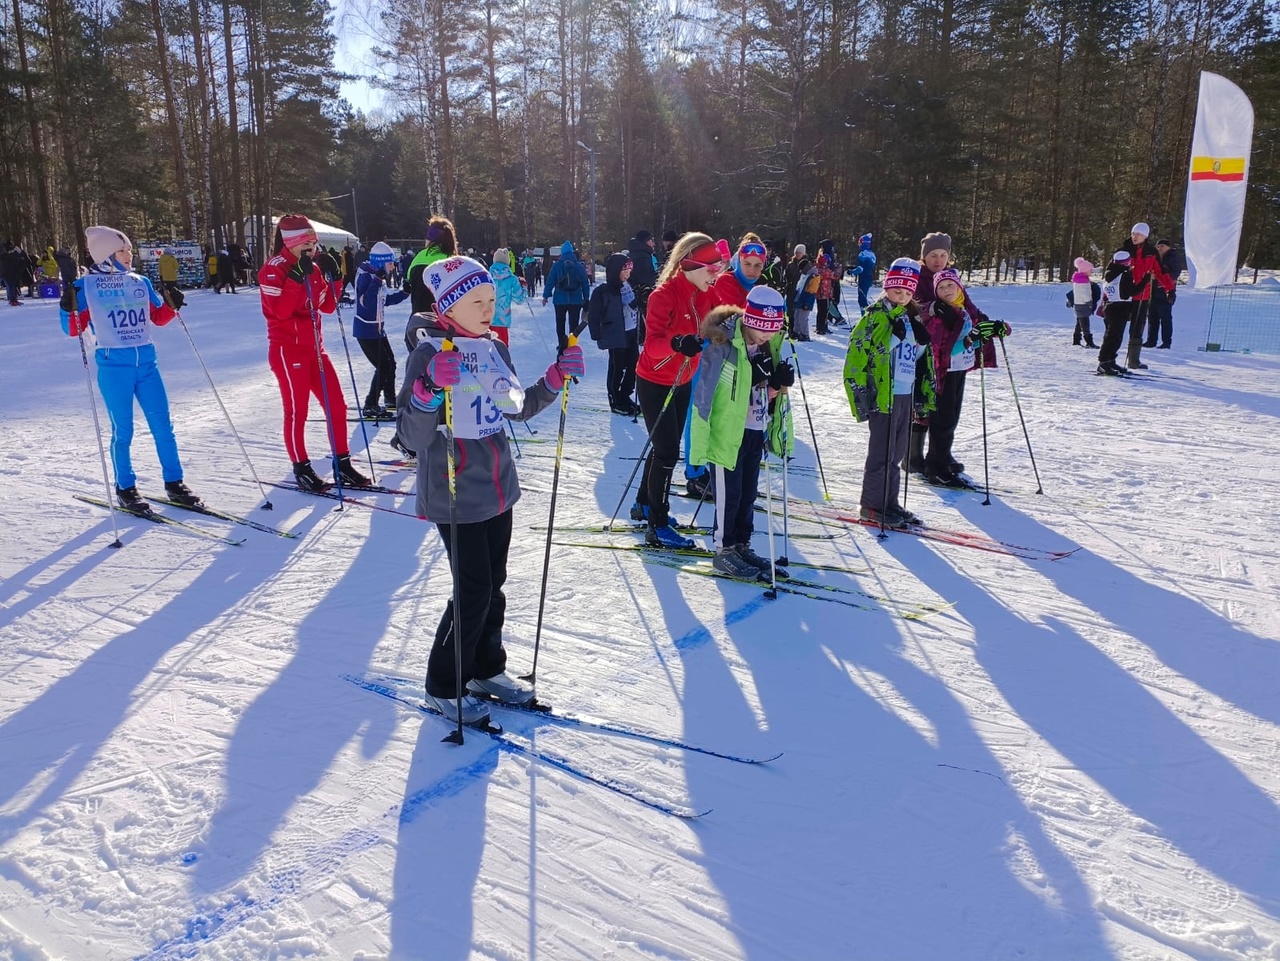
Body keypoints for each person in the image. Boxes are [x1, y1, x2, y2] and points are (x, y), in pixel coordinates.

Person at [395, 255, 585, 725]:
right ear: (448, 306)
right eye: (476, 301)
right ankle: (443, 682)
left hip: (499, 487)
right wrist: (426, 392)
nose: (487, 310)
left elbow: (515, 408)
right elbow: (412, 437)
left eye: (492, 300)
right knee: (473, 590)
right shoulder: (428, 352)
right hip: (454, 491)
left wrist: (554, 378)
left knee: (492, 586)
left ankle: (485, 668)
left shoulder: (493, 347)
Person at [59, 225, 200, 512]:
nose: (129, 255)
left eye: (130, 250)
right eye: (123, 250)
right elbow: (73, 329)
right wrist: (66, 308)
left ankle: (174, 483)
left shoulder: (140, 281)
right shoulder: (84, 286)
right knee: (123, 430)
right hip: (114, 366)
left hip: (147, 363)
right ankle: (126, 486)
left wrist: (172, 306)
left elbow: (157, 318)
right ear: (106, 254)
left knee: (163, 426)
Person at [258, 214, 370, 491]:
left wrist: (337, 278)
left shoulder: (313, 268)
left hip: (315, 349)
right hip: (287, 350)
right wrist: (297, 277)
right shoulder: (274, 269)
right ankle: (302, 467)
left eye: (314, 243)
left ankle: (342, 464)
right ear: (292, 243)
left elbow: (328, 306)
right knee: (297, 411)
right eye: (307, 244)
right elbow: (279, 312)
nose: (313, 249)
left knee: (336, 405)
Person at [689, 284, 794, 577]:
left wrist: (776, 385)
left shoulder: (765, 348)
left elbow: (762, 395)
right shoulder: (722, 346)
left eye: (773, 330)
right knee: (729, 495)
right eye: (763, 329)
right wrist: (699, 446)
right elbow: (705, 397)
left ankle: (742, 545)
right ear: (749, 320)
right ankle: (724, 549)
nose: (767, 336)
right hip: (725, 435)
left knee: (748, 495)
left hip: (754, 429)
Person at [631, 232, 723, 548]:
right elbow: (652, 345)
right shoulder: (664, 295)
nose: (716, 276)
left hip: (684, 379)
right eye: (711, 269)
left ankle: (644, 504)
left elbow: (721, 320)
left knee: (662, 447)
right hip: (655, 381)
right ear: (689, 265)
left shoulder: (706, 293)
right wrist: (676, 343)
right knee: (668, 451)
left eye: (719, 269)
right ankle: (657, 524)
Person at [844, 258, 937, 527]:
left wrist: (921, 343)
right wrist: (861, 395)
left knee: (896, 453)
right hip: (883, 394)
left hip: (905, 391)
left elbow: (914, 355)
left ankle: (889, 501)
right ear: (887, 288)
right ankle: (871, 505)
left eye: (908, 293)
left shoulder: (910, 318)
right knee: (881, 453)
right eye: (898, 292)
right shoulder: (874, 317)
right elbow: (860, 355)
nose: (902, 297)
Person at [919, 268, 982, 487]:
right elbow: (940, 348)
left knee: (953, 417)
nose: (947, 290)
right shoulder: (941, 315)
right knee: (943, 419)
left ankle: (943, 457)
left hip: (959, 369)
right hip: (943, 372)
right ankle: (935, 466)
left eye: (950, 286)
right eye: (942, 287)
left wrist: (981, 336)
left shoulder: (963, 309)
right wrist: (967, 341)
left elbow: (972, 337)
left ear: (959, 287)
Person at [353, 241, 410, 418]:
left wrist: (404, 293)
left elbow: (384, 301)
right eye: (389, 263)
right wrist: (377, 281)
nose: (392, 266)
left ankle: (390, 399)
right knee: (383, 367)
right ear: (379, 262)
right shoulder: (366, 276)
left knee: (390, 364)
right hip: (366, 330)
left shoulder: (377, 277)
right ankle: (370, 404)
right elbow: (366, 303)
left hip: (377, 330)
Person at [587, 251, 641, 415]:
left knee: (634, 366)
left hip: (631, 331)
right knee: (618, 368)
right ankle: (615, 399)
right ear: (616, 270)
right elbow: (594, 313)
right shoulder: (604, 291)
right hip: (615, 334)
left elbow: (632, 306)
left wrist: (641, 299)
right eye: (625, 271)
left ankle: (625, 396)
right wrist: (596, 332)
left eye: (629, 271)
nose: (628, 274)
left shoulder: (628, 286)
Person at [1119, 222, 1173, 370]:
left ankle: (1133, 359)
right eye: (1133, 233)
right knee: (1116, 326)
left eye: (1138, 234)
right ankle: (1108, 358)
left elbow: (1161, 271)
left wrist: (1170, 289)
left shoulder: (1151, 252)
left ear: (1145, 236)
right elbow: (1113, 271)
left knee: (1137, 326)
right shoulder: (1124, 250)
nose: (1134, 236)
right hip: (1123, 294)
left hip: (1142, 294)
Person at [1096, 250, 1138, 376]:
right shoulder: (1123, 274)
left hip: (1110, 306)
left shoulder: (1110, 272)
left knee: (1113, 336)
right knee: (1113, 337)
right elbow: (1132, 291)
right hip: (1120, 307)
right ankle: (1103, 363)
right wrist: (1145, 281)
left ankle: (1110, 361)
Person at [542, 241, 590, 352]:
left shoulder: (557, 265)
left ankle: (561, 344)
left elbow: (550, 281)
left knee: (560, 323)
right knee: (573, 324)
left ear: (562, 252)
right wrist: (586, 298)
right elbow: (584, 283)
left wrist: (545, 296)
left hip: (560, 299)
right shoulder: (578, 266)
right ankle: (572, 345)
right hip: (576, 299)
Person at [407, 217, 459, 316]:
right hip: (443, 322)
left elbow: (408, 283)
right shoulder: (451, 260)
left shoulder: (419, 257)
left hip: (418, 321)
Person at [1145, 239, 1184, 349]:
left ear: (1168, 247)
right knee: (1152, 317)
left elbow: (1174, 273)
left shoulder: (1172, 258)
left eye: (1162, 246)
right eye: (1158, 246)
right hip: (1153, 291)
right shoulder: (1156, 258)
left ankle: (1166, 342)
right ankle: (1151, 340)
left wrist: (1158, 276)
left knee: (1165, 318)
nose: (1159, 248)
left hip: (1165, 292)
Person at [488, 246, 526, 347]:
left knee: (487, 350)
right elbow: (519, 299)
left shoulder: (486, 276)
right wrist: (524, 287)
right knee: (502, 350)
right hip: (502, 320)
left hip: (486, 318)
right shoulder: (512, 279)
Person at [1066, 258, 1100, 348]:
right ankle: (1089, 342)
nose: (1091, 272)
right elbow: (1084, 294)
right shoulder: (1083, 282)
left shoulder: (1080, 280)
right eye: (1090, 270)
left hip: (1079, 304)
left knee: (1079, 323)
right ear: (1085, 270)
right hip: (1083, 305)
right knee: (1085, 325)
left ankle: (1076, 340)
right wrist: (1089, 303)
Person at [815, 240, 842, 336]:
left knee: (820, 310)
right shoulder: (826, 270)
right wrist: (838, 268)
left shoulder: (818, 266)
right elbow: (834, 275)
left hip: (819, 291)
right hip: (825, 291)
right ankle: (822, 327)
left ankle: (820, 326)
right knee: (824, 310)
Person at [791, 253, 819, 341]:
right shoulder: (805, 276)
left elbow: (811, 292)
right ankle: (796, 332)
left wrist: (807, 303)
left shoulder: (814, 277)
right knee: (797, 316)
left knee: (803, 318)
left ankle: (805, 334)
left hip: (806, 301)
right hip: (800, 299)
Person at [851, 233, 876, 312]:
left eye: (859, 243)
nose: (859, 245)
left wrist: (852, 271)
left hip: (863, 279)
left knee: (862, 300)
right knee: (863, 298)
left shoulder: (862, 254)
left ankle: (866, 318)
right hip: (869, 278)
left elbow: (860, 269)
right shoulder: (872, 254)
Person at [3, 241, 25, 306]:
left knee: (13, 286)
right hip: (8, 273)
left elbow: (22, 261)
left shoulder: (12, 255)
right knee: (11, 287)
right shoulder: (7, 256)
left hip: (13, 273)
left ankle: (13, 299)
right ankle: (12, 300)